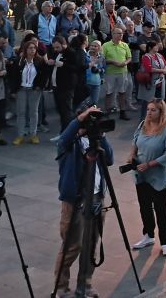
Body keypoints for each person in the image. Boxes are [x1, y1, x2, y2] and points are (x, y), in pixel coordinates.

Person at [53, 104, 113, 298]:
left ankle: (85, 285)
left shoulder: (96, 139)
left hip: (96, 196)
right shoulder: (70, 143)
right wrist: (80, 120)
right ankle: (61, 287)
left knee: (91, 243)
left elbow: (109, 159)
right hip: (75, 199)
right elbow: (64, 138)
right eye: (87, 122)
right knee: (72, 245)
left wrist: (101, 135)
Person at [129, 100, 166, 257]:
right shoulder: (143, 124)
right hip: (140, 173)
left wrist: (150, 164)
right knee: (144, 206)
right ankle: (148, 235)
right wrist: (131, 155)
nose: (149, 113)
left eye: (153, 110)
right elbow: (135, 140)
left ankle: (165, 243)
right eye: (148, 110)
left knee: (160, 208)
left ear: (161, 112)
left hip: (157, 175)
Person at [13, 40, 46, 145]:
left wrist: (40, 86)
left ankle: (33, 134)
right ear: (25, 49)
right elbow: (13, 75)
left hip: (34, 89)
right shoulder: (19, 61)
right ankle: (20, 135)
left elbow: (44, 76)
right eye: (30, 48)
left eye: (34, 48)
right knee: (21, 112)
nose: (32, 50)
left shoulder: (40, 61)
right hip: (22, 89)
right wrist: (14, 89)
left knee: (33, 112)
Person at [102, 28, 132, 121]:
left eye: (121, 33)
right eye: (118, 33)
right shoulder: (105, 45)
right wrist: (112, 61)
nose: (120, 35)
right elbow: (102, 59)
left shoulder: (125, 45)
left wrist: (125, 63)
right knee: (109, 92)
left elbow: (129, 57)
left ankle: (122, 112)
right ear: (113, 34)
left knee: (122, 92)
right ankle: (106, 112)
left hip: (122, 72)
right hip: (110, 72)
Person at [137, 39, 166, 119]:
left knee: (158, 101)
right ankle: (143, 119)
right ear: (150, 48)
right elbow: (149, 69)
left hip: (159, 82)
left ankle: (157, 118)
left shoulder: (159, 55)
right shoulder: (146, 57)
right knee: (147, 101)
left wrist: (162, 72)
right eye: (156, 46)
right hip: (150, 83)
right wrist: (162, 71)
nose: (157, 47)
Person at [85, 40, 106, 106]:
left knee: (94, 102)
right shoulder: (85, 56)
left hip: (97, 83)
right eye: (91, 45)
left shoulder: (101, 57)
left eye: (95, 46)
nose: (93, 47)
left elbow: (104, 69)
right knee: (84, 103)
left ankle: (92, 115)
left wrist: (99, 70)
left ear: (99, 48)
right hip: (86, 82)